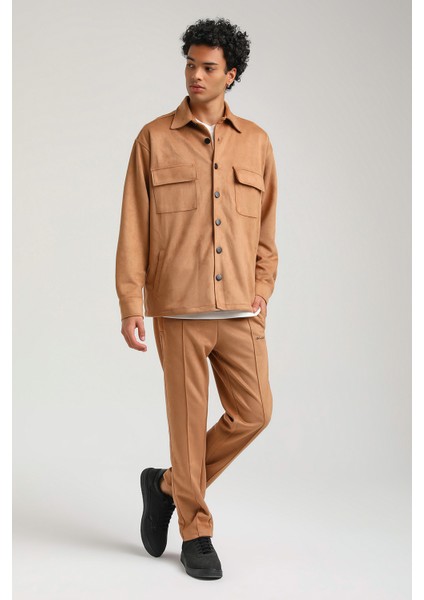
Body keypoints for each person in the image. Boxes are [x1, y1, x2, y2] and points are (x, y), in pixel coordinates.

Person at [115, 17, 279, 580]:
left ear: (231, 74)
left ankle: (166, 485)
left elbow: (267, 228)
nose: (196, 75)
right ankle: (196, 531)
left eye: (208, 67)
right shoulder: (153, 138)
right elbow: (133, 226)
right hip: (179, 308)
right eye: (190, 64)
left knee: (255, 412)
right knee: (186, 427)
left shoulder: (256, 142)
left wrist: (263, 287)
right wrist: (130, 302)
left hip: (240, 309)